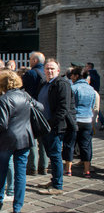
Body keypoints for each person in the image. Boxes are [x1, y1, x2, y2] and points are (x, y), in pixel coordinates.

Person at [0, 70, 44, 213]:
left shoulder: (4, 99)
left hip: (7, 139)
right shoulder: (25, 95)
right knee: (20, 173)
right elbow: (41, 107)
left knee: (2, 170)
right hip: (25, 137)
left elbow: (2, 124)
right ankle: (17, 207)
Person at [37, 59, 77, 195]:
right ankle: (54, 179)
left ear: (58, 71)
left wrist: (52, 124)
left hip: (55, 126)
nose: (49, 71)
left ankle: (58, 185)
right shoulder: (45, 84)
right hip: (45, 125)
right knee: (51, 154)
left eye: (52, 69)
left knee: (55, 155)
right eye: (47, 68)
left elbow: (63, 108)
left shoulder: (62, 84)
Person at [64, 67, 96, 178]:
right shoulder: (91, 89)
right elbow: (92, 106)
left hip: (75, 119)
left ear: (77, 76)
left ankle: (68, 169)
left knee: (70, 144)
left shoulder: (73, 88)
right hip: (87, 119)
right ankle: (87, 170)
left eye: (72, 75)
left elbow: (69, 105)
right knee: (85, 145)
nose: (71, 77)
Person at [22, 51, 48, 176]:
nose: (29, 61)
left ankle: (33, 167)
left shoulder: (31, 73)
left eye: (31, 59)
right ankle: (44, 166)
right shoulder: (46, 73)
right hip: (44, 108)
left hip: (31, 108)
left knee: (31, 137)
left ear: (35, 61)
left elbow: (24, 90)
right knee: (43, 137)